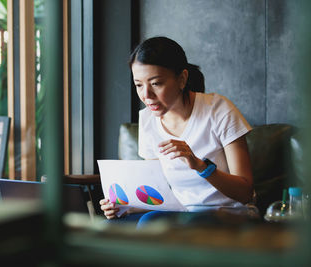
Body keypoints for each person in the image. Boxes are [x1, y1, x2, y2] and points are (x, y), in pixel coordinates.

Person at [100, 36, 257, 227]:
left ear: (182, 79)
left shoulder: (218, 110)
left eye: (156, 83)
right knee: (112, 225)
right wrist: (124, 206)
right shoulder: (147, 120)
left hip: (227, 214)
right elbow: (161, 193)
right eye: (139, 85)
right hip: (179, 213)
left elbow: (245, 193)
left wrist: (200, 166)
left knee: (150, 223)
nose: (146, 96)